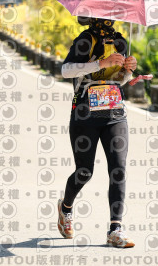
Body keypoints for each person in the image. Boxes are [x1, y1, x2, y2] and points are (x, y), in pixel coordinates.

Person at [57, 16, 138, 248]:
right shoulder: (85, 40)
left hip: (114, 113)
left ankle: (115, 229)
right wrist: (100, 64)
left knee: (118, 169)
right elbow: (66, 70)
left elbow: (119, 80)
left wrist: (128, 70)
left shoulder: (121, 42)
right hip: (85, 113)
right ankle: (66, 208)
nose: (109, 19)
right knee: (84, 172)